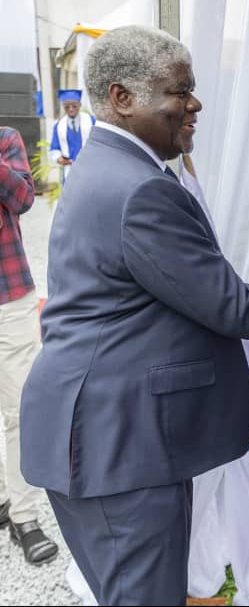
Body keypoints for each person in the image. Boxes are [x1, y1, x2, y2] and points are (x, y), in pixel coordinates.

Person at [19, 25, 249, 606]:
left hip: (105, 433)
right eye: (180, 91)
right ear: (122, 97)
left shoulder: (106, 167)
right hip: (120, 446)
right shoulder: (140, 189)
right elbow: (226, 302)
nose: (195, 104)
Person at [0, 126, 59, 566]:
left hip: (9, 296)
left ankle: (25, 517)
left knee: (20, 408)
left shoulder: (6, 139)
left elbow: (23, 198)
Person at [47, 89, 95, 185]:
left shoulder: (91, 121)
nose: (71, 109)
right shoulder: (59, 125)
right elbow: (54, 149)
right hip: (69, 170)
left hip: (90, 168)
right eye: (67, 106)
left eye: (74, 105)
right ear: (63, 106)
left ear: (80, 105)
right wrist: (59, 158)